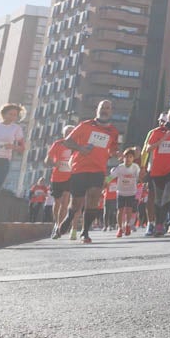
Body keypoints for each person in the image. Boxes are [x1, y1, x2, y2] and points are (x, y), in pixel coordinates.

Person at [60, 100, 121, 243]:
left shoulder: (113, 131)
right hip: (80, 168)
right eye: (102, 107)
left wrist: (117, 153)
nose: (105, 110)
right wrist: (80, 148)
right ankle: (69, 217)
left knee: (93, 200)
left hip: (98, 169)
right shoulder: (85, 125)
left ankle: (85, 232)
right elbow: (67, 141)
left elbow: (112, 148)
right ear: (97, 110)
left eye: (108, 108)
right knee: (76, 202)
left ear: (111, 111)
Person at [142, 109, 170, 237]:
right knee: (158, 198)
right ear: (167, 116)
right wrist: (163, 139)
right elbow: (148, 149)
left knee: (167, 195)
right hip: (158, 169)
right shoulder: (157, 132)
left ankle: (160, 225)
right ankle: (158, 223)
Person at [47, 125, 76, 238]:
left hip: (70, 177)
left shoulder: (77, 145)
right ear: (63, 134)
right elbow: (47, 160)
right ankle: (56, 223)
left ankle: (59, 227)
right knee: (57, 202)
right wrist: (54, 163)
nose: (69, 133)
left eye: (71, 131)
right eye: (67, 132)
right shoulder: (57, 144)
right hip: (57, 177)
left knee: (65, 203)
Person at [110, 149, 141, 238]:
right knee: (120, 211)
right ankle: (120, 228)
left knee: (129, 210)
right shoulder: (120, 168)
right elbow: (112, 176)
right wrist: (105, 182)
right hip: (121, 192)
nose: (128, 159)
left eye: (130, 157)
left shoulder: (135, 167)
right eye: (126, 157)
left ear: (133, 158)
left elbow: (139, 177)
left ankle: (127, 225)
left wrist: (142, 179)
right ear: (123, 158)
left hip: (131, 192)